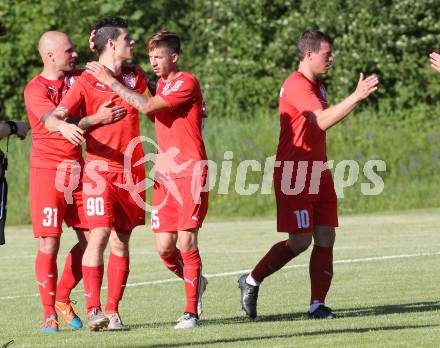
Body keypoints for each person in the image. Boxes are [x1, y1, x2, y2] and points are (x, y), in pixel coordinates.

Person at [237, 30, 379, 319]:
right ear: (309, 54)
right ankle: (251, 280)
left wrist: (352, 100)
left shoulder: (318, 87)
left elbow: (322, 122)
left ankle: (317, 305)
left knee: (326, 236)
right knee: (301, 240)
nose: (332, 58)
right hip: (295, 173)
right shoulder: (296, 84)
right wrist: (357, 96)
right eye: (328, 54)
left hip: (319, 171)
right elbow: (323, 121)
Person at [86, 31, 209, 329]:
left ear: (174, 57)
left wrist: (112, 82)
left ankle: (191, 311)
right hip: (165, 176)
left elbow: (147, 107)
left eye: (159, 56)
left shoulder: (185, 80)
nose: (153, 62)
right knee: (165, 249)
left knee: (186, 240)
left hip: (190, 172)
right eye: (151, 57)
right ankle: (197, 282)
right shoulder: (162, 85)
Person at [44, 18, 148, 331]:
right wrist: (63, 123)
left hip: (133, 172)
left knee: (121, 243)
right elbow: (53, 116)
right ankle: (94, 310)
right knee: (99, 235)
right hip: (100, 171)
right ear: (112, 44)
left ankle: (113, 312)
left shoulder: (136, 75)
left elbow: (153, 104)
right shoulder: (86, 82)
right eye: (127, 38)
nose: (132, 42)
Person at [24, 30, 126, 333]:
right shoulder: (35, 88)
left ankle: (63, 297)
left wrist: (102, 45)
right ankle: (49, 315)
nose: (75, 55)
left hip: (79, 170)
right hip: (47, 172)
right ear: (50, 55)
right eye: (69, 51)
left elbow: (111, 67)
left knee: (94, 237)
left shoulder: (80, 77)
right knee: (50, 241)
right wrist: (84, 123)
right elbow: (51, 122)